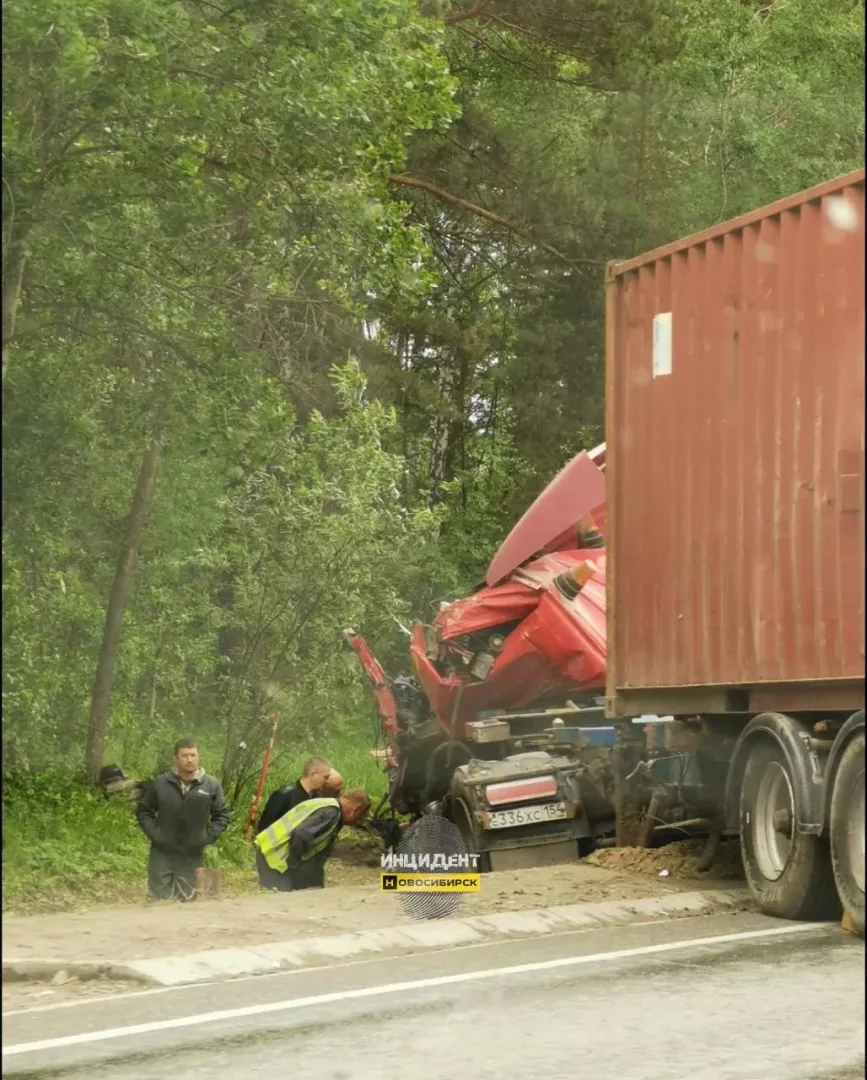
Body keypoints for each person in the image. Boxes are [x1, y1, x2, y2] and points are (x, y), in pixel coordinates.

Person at [135, 739, 230, 902]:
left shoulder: (210, 786)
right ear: (176, 758)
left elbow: (222, 815)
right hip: (162, 852)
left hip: (192, 854)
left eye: (193, 755)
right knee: (157, 902)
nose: (189, 759)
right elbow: (144, 811)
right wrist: (156, 835)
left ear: (198, 756)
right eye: (185, 755)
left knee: (187, 903)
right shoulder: (161, 783)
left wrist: (206, 838)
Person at [254, 787, 371, 891]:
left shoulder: (325, 803)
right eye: (359, 817)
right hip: (273, 856)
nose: (356, 821)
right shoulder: (331, 812)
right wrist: (294, 867)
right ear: (355, 809)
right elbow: (300, 835)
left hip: (269, 849)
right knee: (280, 901)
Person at [254, 757, 332, 890]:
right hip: (276, 861)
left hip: (301, 864)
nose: (327, 781)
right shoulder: (283, 795)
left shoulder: (319, 799)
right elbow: (265, 829)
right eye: (325, 777)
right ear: (313, 773)